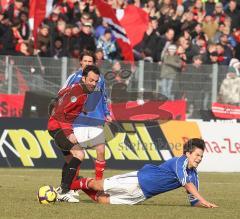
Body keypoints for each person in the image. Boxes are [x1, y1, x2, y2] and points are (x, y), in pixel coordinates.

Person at [70, 138, 218, 208]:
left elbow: (194, 201)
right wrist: (204, 199)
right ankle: (68, 186)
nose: (199, 159)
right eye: (197, 155)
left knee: (102, 200)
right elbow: (186, 184)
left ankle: (81, 183)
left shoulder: (194, 174)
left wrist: (205, 205)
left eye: (201, 156)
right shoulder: (180, 161)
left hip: (141, 195)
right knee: (97, 186)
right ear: (187, 153)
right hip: (138, 180)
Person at [57, 50, 112, 201]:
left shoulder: (99, 80)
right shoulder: (74, 78)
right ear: (80, 62)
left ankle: (99, 186)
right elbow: (61, 93)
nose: (87, 64)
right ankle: (70, 186)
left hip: (96, 120)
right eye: (85, 61)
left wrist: (107, 113)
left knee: (101, 151)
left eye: (90, 62)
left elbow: (104, 98)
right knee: (77, 155)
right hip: (79, 121)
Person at [48, 65, 100, 202]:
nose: (93, 84)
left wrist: (80, 109)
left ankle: (61, 189)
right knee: (79, 154)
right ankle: (65, 191)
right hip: (58, 127)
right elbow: (60, 113)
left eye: (96, 81)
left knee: (70, 159)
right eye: (91, 80)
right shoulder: (78, 93)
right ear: (83, 78)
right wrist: (69, 132)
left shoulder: (77, 88)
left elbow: (60, 94)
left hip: (55, 126)